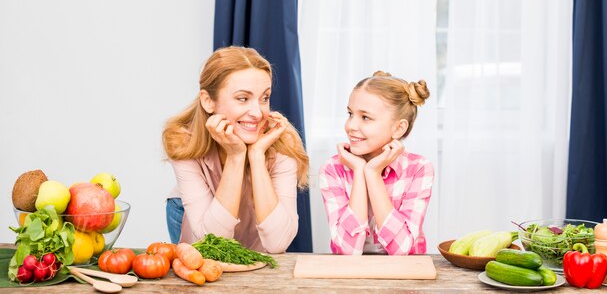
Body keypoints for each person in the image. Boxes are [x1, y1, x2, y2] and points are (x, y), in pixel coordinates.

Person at [163, 46, 309, 253]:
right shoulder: (184, 141)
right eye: (243, 98)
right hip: (194, 216)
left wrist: (257, 156)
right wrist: (236, 156)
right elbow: (213, 244)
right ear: (208, 101)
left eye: (264, 98)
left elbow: (277, 243)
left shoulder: (283, 142)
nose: (257, 113)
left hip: (252, 226)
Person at [318, 71, 434, 255]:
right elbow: (348, 251)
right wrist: (358, 170)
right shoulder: (333, 169)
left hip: (405, 275)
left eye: (365, 117)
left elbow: (401, 250)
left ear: (398, 128)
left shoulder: (418, 169)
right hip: (352, 274)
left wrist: (372, 174)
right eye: (350, 114)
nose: (350, 126)